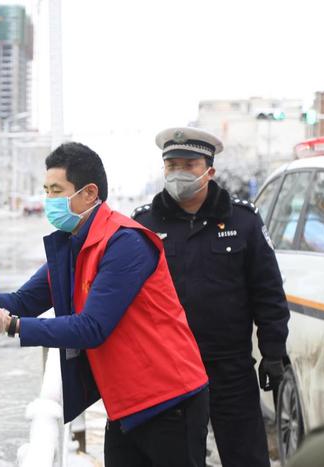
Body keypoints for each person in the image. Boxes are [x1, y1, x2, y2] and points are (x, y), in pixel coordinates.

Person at [0, 142, 210, 467]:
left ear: (89, 193)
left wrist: (11, 325)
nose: (48, 200)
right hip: (124, 403)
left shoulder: (124, 242)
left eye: (56, 190)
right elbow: (23, 301)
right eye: (46, 190)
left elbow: (92, 327)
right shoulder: (71, 245)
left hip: (169, 400)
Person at [132, 127, 290, 467]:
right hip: (168, 369)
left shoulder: (243, 221)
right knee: (178, 459)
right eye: (172, 165)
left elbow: (268, 291)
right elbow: (128, 298)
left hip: (230, 367)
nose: (179, 173)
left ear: (209, 170)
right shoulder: (144, 224)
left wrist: (273, 351)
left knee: (246, 456)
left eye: (188, 164)